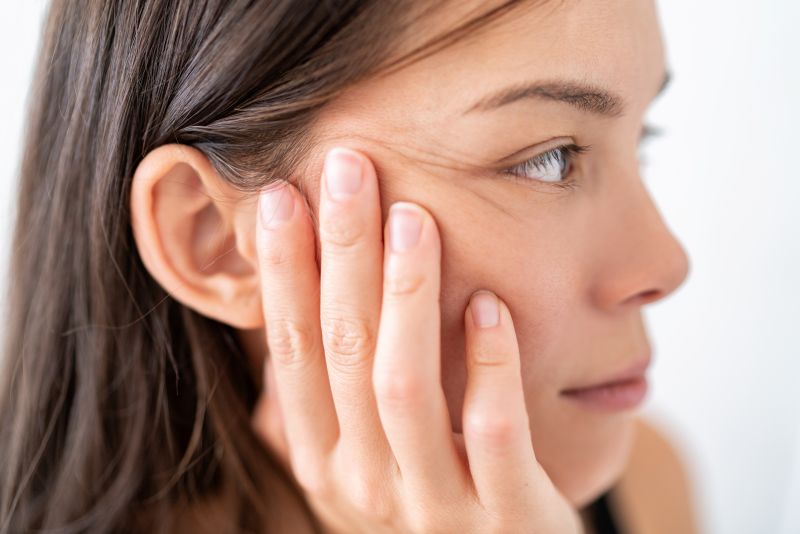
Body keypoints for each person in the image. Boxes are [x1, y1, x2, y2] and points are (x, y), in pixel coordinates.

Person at [0, 0, 699, 532]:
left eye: (640, 140)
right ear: (213, 238)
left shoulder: (649, 479)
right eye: (548, 158)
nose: (665, 264)